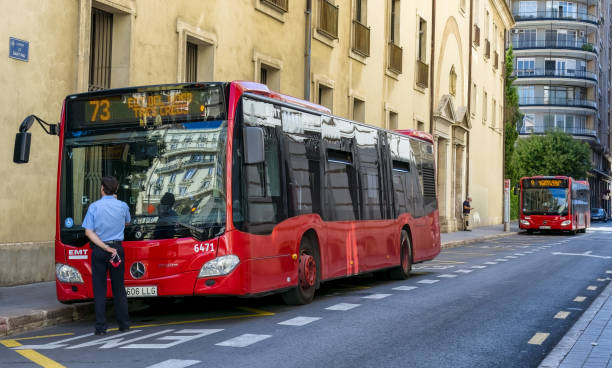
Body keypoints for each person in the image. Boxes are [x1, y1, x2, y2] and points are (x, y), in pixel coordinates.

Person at [82, 176, 131, 335]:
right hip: (117, 250)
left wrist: (103, 246)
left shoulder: (94, 207)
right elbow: (127, 223)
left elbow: (88, 232)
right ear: (116, 190)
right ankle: (123, 324)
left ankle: (101, 327)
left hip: (99, 250)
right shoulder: (123, 206)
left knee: (100, 288)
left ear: (102, 188)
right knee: (119, 288)